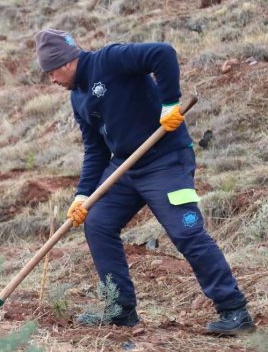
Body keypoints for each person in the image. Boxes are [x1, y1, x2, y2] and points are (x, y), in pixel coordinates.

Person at [34, 28, 254, 335]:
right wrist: (82, 195)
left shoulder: (109, 60)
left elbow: (162, 53)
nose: (51, 80)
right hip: (124, 166)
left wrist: (169, 104)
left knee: (185, 231)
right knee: (97, 223)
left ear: (65, 62)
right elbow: (95, 149)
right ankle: (120, 310)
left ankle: (234, 310)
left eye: (50, 73)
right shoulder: (78, 98)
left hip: (165, 159)